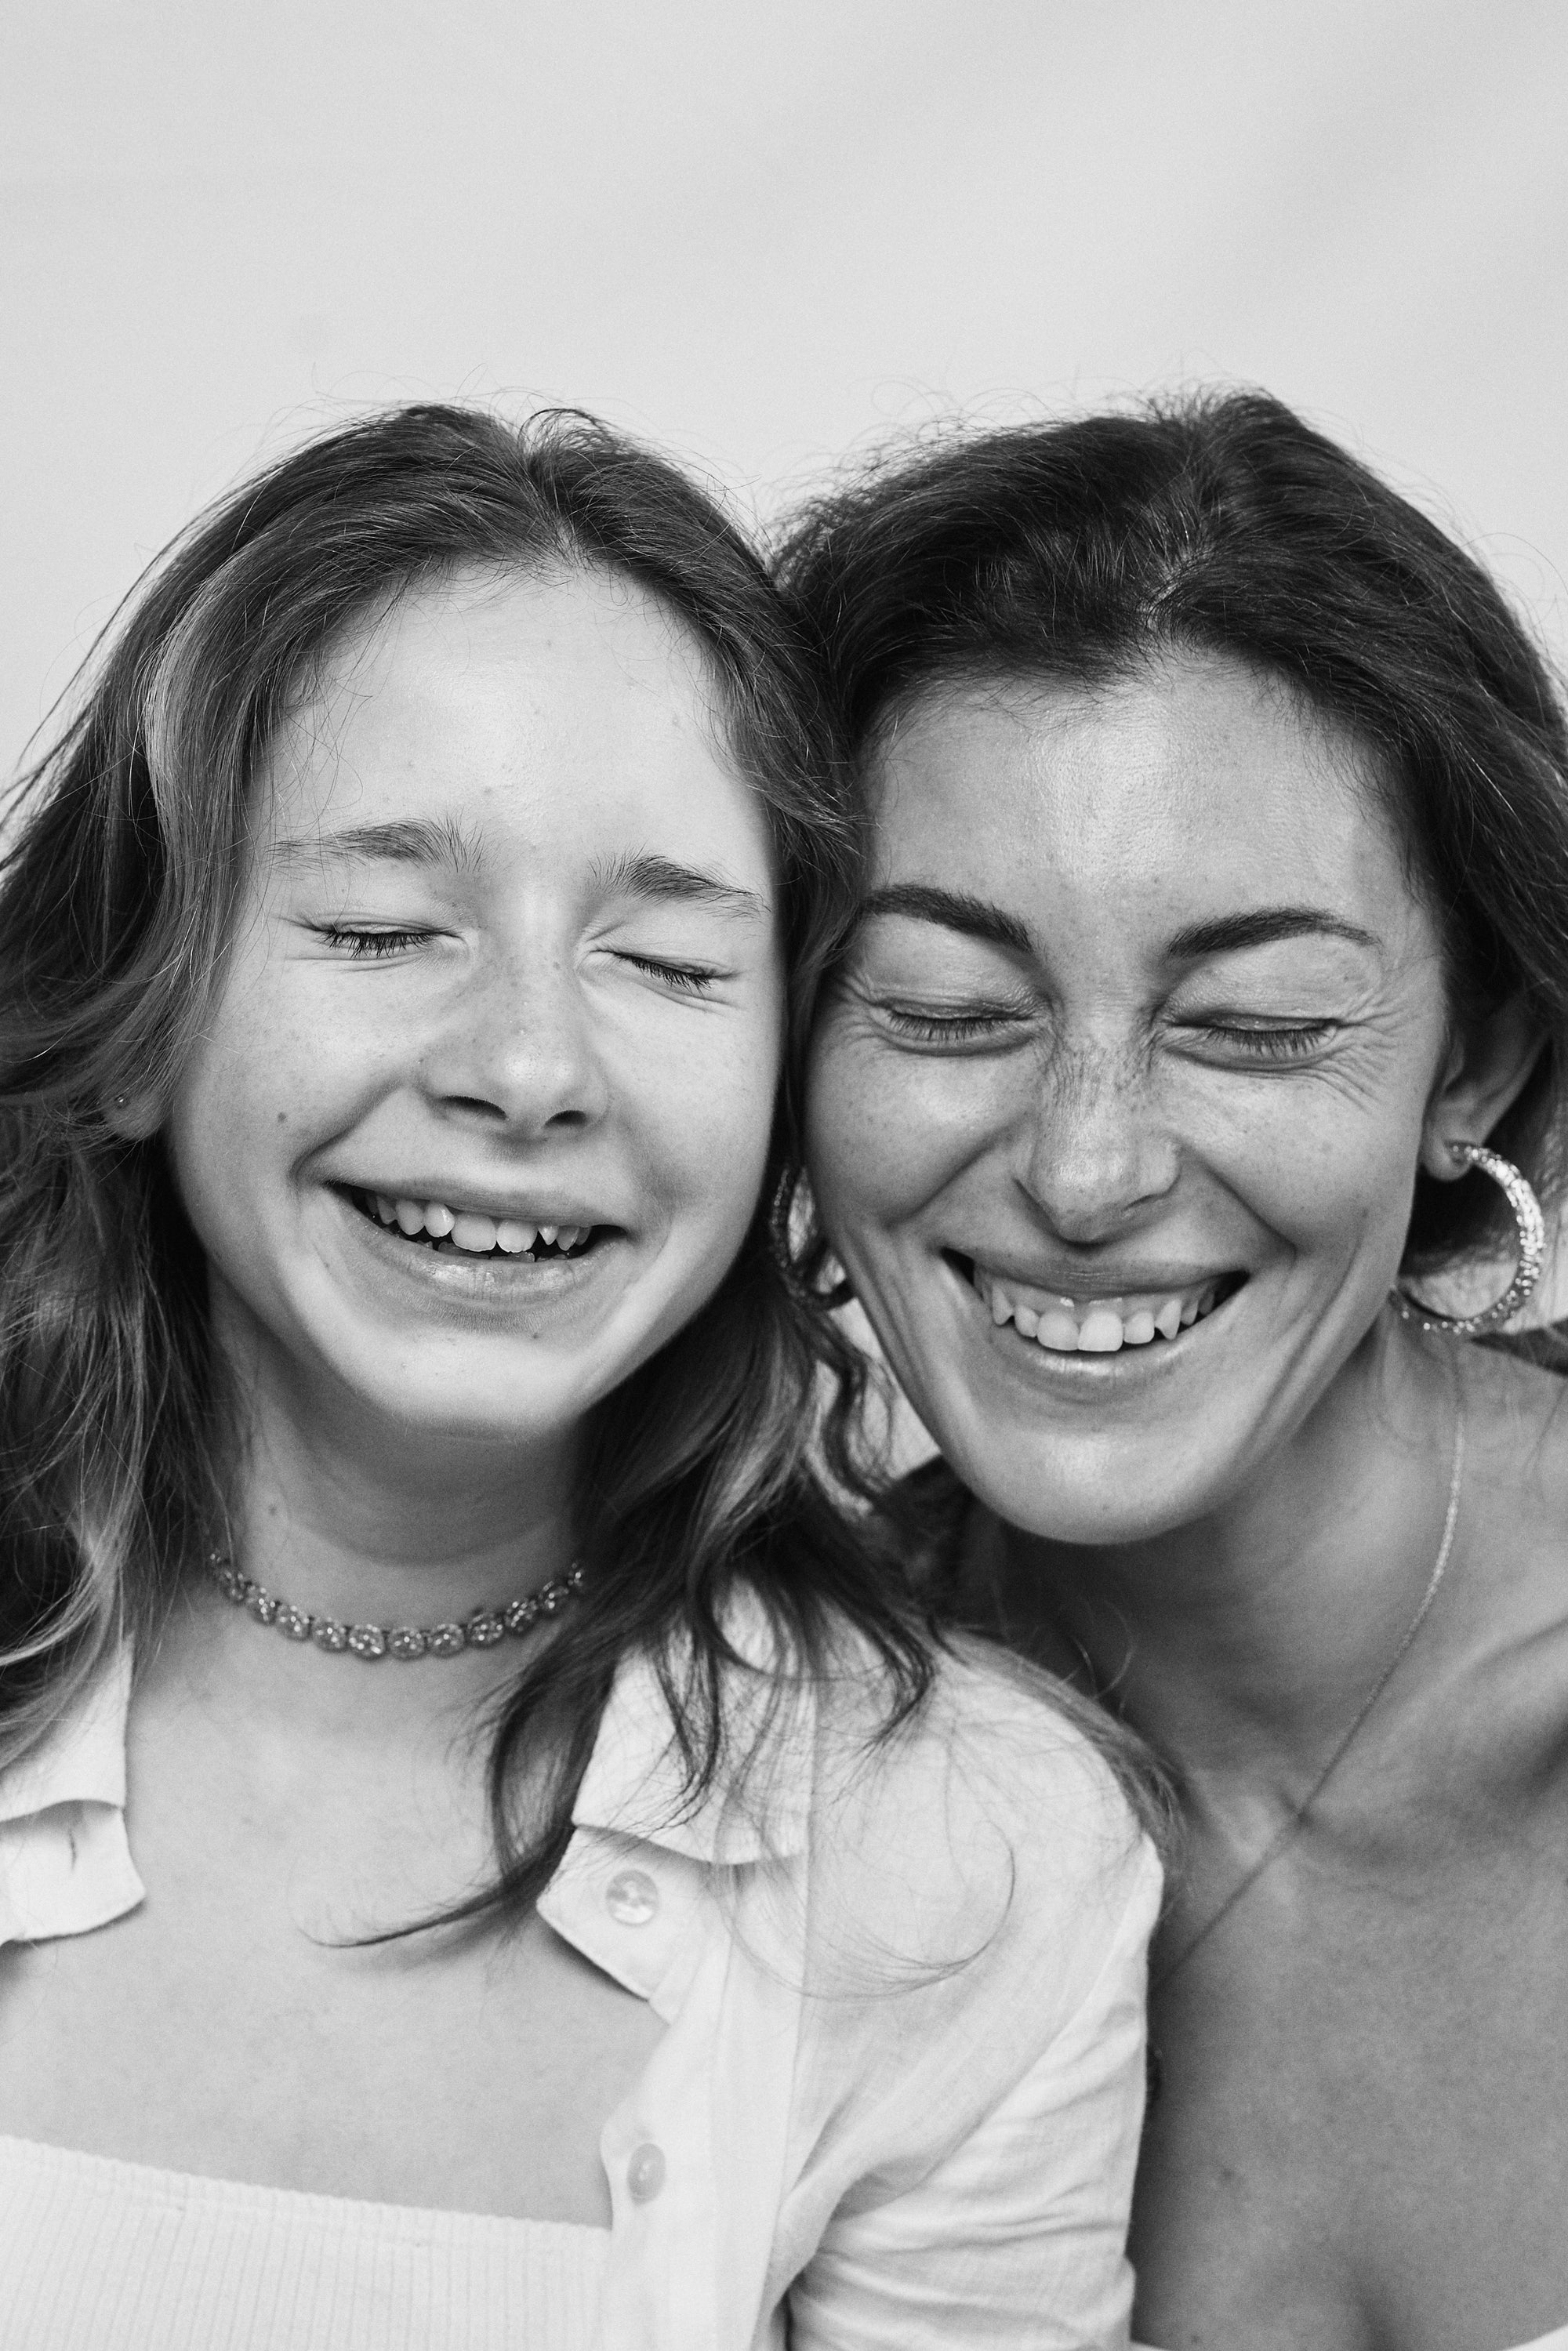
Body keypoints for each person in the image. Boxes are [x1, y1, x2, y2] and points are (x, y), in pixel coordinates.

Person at [0, 403, 1162, 2351]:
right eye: (382, 925)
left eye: (668, 964)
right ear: (136, 1013)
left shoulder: (966, 1852)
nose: (527, 1068)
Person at [782, 391, 1568, 2351]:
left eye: (1255, 1025)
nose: (1084, 1165)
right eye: (945, 1004)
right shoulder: (744, 1776)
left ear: (1470, 1061)